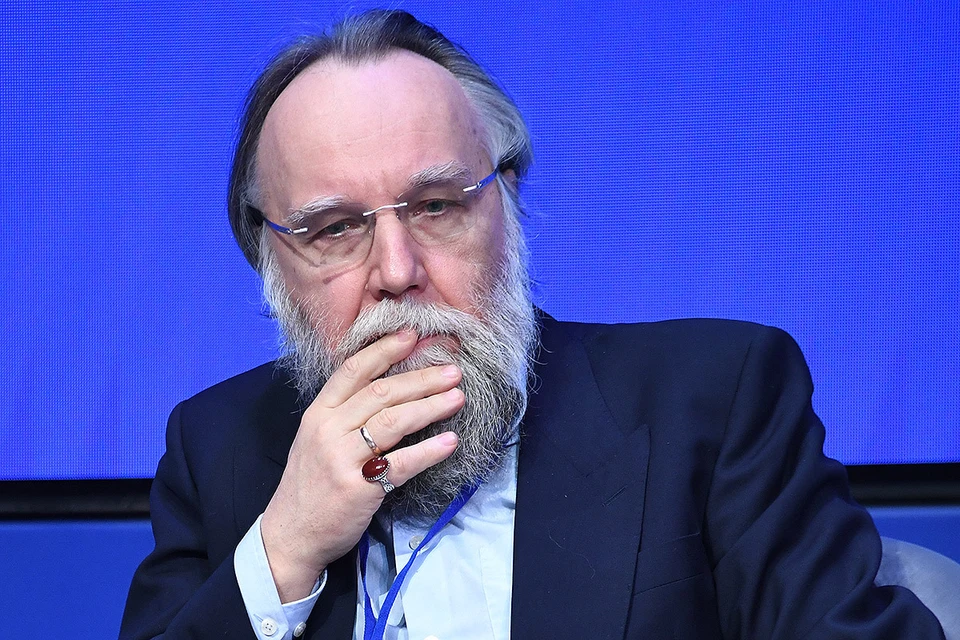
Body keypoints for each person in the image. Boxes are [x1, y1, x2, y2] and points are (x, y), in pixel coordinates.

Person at [120, 9, 945, 640]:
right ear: (271, 265)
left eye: (436, 206)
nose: (397, 271)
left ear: (505, 205)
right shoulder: (217, 453)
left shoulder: (713, 402)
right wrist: (287, 547)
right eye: (335, 228)